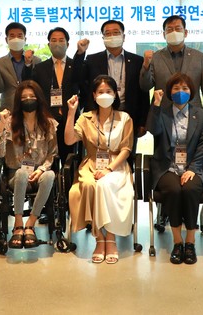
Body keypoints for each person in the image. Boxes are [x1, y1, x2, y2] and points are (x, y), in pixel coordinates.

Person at [64, 75, 134, 264]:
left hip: (116, 166)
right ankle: (99, 238)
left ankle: (110, 238)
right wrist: (71, 113)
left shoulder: (125, 118)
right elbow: (69, 140)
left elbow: (126, 149)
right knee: (88, 185)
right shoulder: (85, 118)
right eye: (100, 92)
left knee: (105, 185)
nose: (104, 95)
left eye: (108, 91)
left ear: (115, 94)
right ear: (94, 95)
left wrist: (109, 169)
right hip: (91, 164)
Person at [146, 73, 203, 265]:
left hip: (194, 167)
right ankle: (177, 241)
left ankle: (190, 242)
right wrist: (156, 105)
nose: (180, 92)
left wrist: (193, 169)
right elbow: (152, 129)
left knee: (190, 189)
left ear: (191, 92)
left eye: (185, 88)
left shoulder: (201, 115)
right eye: (176, 88)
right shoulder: (163, 112)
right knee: (174, 190)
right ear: (169, 92)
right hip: (167, 167)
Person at [0, 80, 57, 249]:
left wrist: (41, 170)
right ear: (18, 100)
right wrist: (2, 126)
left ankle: (30, 223)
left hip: (39, 174)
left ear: (38, 98)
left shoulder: (48, 123)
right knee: (21, 173)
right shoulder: (10, 122)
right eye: (24, 97)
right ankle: (18, 223)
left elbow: (52, 153)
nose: (28, 99)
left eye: (31, 96)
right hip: (16, 175)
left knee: (50, 175)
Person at [81, 19, 150, 151]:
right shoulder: (92, 60)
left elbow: (143, 93)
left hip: (129, 114)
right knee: (99, 154)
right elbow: (79, 82)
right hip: (99, 114)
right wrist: (80, 53)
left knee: (127, 153)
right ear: (103, 38)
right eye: (107, 33)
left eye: (116, 33)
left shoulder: (137, 60)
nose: (112, 36)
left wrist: (143, 121)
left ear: (124, 37)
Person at [140, 15, 203, 127]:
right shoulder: (156, 57)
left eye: (178, 29)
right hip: (163, 116)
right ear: (164, 34)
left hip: (194, 116)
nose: (174, 32)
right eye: (169, 29)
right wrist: (146, 66)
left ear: (185, 33)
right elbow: (145, 86)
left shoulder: (199, 57)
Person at [32, 27, 86, 167]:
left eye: (61, 40)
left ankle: (69, 181)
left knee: (70, 160)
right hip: (47, 121)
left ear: (68, 44)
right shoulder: (40, 68)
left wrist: (76, 108)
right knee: (49, 160)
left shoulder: (77, 66)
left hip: (70, 120)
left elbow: (83, 89)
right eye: (53, 40)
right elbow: (33, 91)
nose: (57, 43)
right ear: (48, 44)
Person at [0, 22, 40, 116]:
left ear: (25, 39)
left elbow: (38, 87)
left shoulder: (36, 60)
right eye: (12, 36)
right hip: (8, 110)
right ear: (6, 39)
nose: (16, 39)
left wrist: (28, 63)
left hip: (32, 110)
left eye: (20, 36)